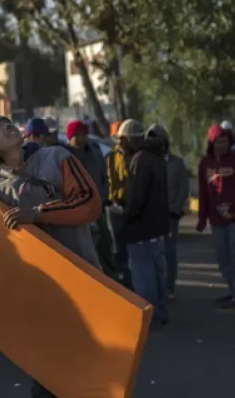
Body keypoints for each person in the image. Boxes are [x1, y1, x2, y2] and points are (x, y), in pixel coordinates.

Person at [0, 112, 130, 398]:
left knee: (91, 372)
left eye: (7, 121)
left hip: (82, 285)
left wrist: (37, 213)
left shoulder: (57, 157)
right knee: (43, 373)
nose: (7, 126)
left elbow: (90, 203)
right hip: (37, 296)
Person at [115, 120, 171, 326]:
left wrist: (126, 221)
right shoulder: (156, 158)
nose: (119, 146)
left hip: (141, 229)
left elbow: (136, 198)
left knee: (143, 275)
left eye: (121, 141)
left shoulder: (140, 160)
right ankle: (160, 313)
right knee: (157, 274)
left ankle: (148, 319)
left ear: (129, 139)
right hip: (157, 228)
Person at [196, 124, 235, 308]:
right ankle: (232, 290)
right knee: (223, 257)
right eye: (218, 142)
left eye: (225, 141)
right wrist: (202, 217)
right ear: (211, 143)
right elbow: (203, 192)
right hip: (216, 219)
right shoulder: (205, 163)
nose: (222, 145)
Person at [65, 120, 113, 276]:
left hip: (98, 206)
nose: (81, 138)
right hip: (78, 209)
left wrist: (104, 195)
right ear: (70, 137)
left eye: (83, 134)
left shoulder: (95, 151)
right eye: (77, 135)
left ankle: (111, 276)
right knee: (85, 244)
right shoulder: (65, 154)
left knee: (104, 243)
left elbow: (103, 177)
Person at [147, 123, 189, 302]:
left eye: (158, 139)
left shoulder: (177, 163)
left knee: (169, 253)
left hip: (170, 215)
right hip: (150, 216)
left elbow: (183, 189)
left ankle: (169, 287)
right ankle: (156, 287)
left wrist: (175, 209)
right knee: (152, 253)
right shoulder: (145, 161)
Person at [105, 121, 132, 288]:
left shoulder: (133, 155)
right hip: (115, 205)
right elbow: (109, 178)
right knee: (117, 244)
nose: (119, 142)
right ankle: (122, 278)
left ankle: (131, 278)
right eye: (117, 139)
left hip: (131, 204)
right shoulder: (112, 156)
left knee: (131, 245)